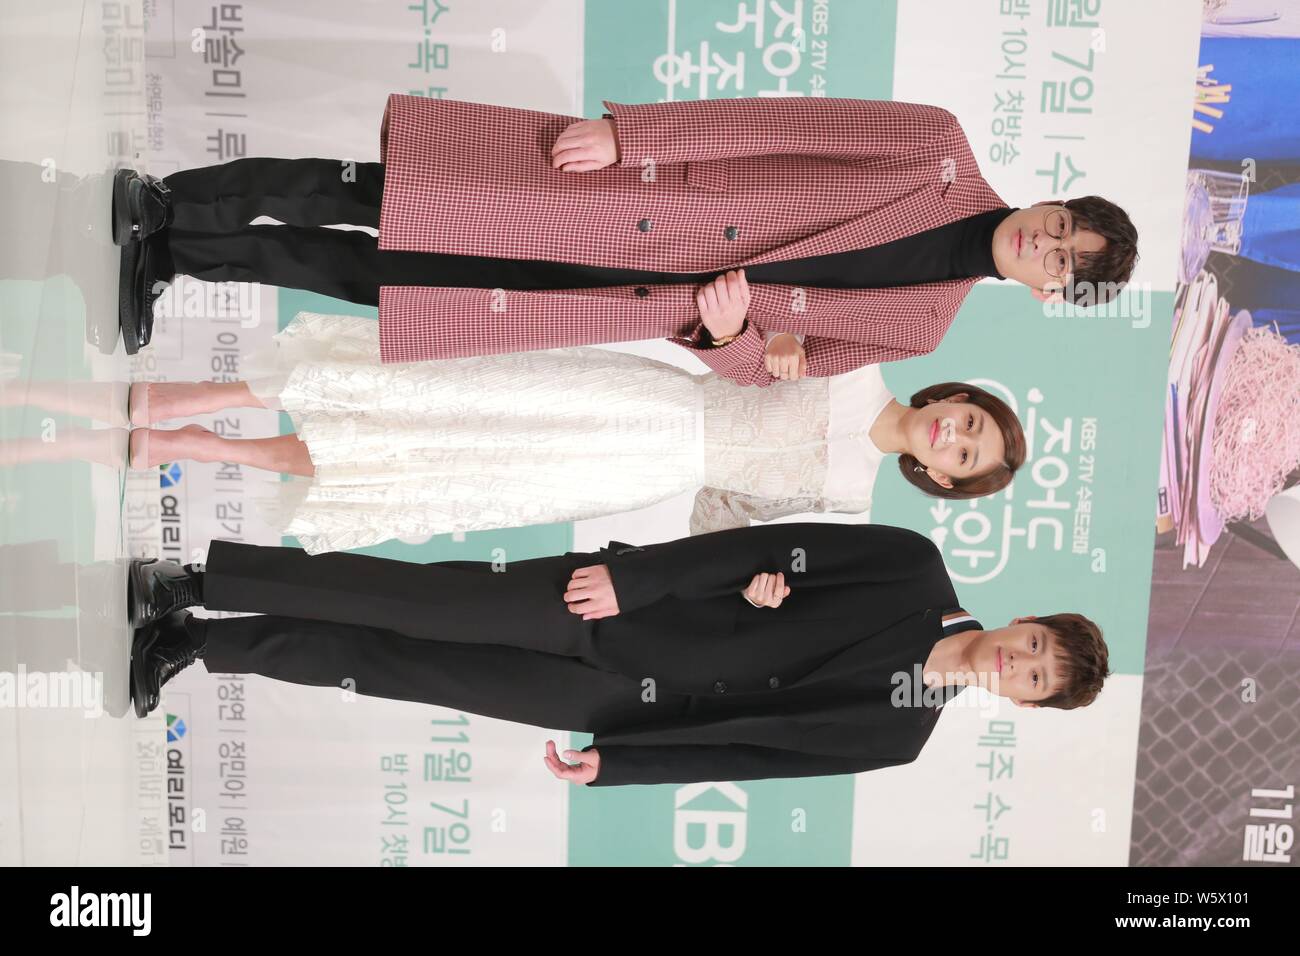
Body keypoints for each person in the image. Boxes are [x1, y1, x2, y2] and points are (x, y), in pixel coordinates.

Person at [115, 95, 1139, 384]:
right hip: (633, 203)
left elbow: (776, 370)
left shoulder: (923, 329)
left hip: (623, 296)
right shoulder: (938, 150)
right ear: (1054, 201)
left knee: (382, 281)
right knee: (389, 194)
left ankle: (177, 259)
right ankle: (170, 202)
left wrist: (737, 339)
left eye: (1062, 262)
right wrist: (632, 136)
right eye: (1061, 226)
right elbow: (782, 125)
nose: (1045, 245)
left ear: (1053, 293)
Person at [126, 522, 1111, 786]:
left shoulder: (899, 738)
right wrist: (632, 581)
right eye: (1034, 644)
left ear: (1024, 702)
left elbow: (748, 755)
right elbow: (767, 547)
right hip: (610, 612)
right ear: (1027, 619)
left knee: (395, 666)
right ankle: (205, 581)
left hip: (615, 703)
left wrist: (623, 761)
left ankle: (203, 644)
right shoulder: (912, 567)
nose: (1016, 661)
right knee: (407, 595)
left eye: (1034, 678)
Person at [118, 312, 1025, 553]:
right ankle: (194, 394)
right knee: (434, 393)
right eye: (973, 421)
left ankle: (209, 448)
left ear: (944, 481)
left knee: (435, 466)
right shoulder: (857, 361)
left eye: (966, 454)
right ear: (960, 398)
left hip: (632, 472)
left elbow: (724, 508)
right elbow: (742, 333)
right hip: (645, 397)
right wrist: (765, 341)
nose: (956, 434)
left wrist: (743, 580)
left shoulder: (847, 504)